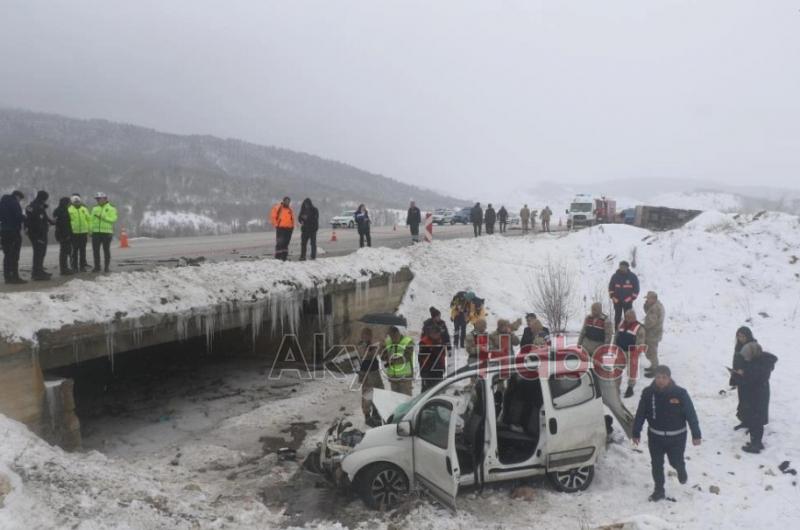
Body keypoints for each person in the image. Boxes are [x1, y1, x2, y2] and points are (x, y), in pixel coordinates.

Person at [632, 365, 701, 502]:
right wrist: (636, 432)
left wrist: (696, 434)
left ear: (669, 378)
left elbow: (691, 414)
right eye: (658, 377)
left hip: (677, 437)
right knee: (656, 464)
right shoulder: (648, 393)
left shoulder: (680, 393)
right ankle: (659, 490)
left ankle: (680, 468)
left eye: (664, 377)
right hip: (655, 436)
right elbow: (641, 414)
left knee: (675, 461)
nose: (661, 380)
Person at [730, 327, 777, 453]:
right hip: (747, 388)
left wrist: (743, 372)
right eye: (739, 336)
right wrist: (736, 375)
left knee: (756, 417)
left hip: (757, 392)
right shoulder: (743, 350)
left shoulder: (757, 356)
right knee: (746, 408)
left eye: (743, 336)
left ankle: (756, 444)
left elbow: (755, 376)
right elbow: (740, 365)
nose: (740, 338)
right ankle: (746, 423)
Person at [24, 190, 54, 281]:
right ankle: (37, 273)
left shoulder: (34, 205)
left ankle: (39, 270)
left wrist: (51, 221)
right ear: (44, 198)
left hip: (35, 233)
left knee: (40, 253)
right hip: (38, 234)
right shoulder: (38, 207)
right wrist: (40, 235)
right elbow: (38, 221)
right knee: (39, 253)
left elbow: (43, 217)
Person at [616, 308, 646, 398]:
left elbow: (640, 342)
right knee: (617, 369)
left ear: (634, 317)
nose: (627, 318)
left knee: (632, 371)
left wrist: (635, 353)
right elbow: (616, 335)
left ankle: (630, 388)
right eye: (626, 316)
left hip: (632, 352)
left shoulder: (639, 327)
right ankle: (616, 387)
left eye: (629, 317)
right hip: (620, 351)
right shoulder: (621, 324)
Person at [356, 327, 384, 424]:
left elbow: (380, 354)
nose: (366, 337)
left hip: (375, 372)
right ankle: (367, 415)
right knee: (367, 394)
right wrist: (375, 349)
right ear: (362, 336)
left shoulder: (372, 344)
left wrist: (381, 347)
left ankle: (376, 412)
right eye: (365, 335)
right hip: (366, 374)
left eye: (368, 335)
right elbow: (365, 354)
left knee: (378, 392)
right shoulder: (361, 345)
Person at [0, 190, 27, 284]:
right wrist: (25, 217)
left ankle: (8, 277)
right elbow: (18, 216)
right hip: (13, 231)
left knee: (7, 255)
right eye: (20, 199)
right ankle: (15, 277)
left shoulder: (2, 203)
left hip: (4, 231)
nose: (19, 201)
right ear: (17, 196)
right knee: (14, 255)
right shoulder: (14, 203)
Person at [90, 192, 118, 273]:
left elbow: (113, 219)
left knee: (106, 250)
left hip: (106, 232)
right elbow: (91, 220)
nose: (97, 200)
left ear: (105, 199)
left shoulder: (112, 208)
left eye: (99, 199)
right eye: (97, 199)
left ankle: (106, 267)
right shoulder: (95, 208)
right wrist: (90, 230)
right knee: (96, 251)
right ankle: (97, 267)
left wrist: (103, 217)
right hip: (96, 233)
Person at [382, 326, 414, 395]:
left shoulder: (407, 341)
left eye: (393, 336)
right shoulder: (388, 342)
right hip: (393, 378)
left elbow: (407, 357)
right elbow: (383, 357)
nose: (391, 338)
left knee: (406, 399)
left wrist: (393, 361)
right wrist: (382, 348)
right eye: (390, 336)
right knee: (395, 399)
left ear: (397, 333)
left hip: (405, 378)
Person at [608, 260, 640, 328]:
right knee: (617, 318)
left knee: (628, 318)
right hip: (617, 301)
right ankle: (617, 333)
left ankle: (628, 332)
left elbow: (636, 290)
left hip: (628, 302)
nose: (622, 268)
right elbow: (611, 288)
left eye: (623, 267)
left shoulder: (633, 277)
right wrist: (613, 297)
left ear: (627, 267)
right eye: (620, 267)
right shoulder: (614, 276)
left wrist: (629, 299)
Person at [643, 292, 665, 376]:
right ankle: (653, 366)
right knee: (651, 351)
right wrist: (646, 306)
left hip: (653, 333)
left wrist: (643, 327)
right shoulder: (657, 305)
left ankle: (655, 369)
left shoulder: (655, 308)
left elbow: (651, 321)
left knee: (652, 351)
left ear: (653, 299)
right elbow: (648, 313)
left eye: (648, 299)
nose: (647, 300)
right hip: (655, 332)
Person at [419, 325, 447, 392]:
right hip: (428, 371)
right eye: (436, 334)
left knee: (438, 390)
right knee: (427, 391)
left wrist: (442, 367)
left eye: (439, 334)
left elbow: (442, 355)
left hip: (438, 370)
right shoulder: (424, 342)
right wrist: (424, 373)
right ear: (431, 333)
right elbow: (422, 359)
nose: (438, 335)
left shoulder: (440, 340)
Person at [68, 195, 91, 272]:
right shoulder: (69, 210)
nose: (77, 203)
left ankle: (82, 266)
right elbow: (68, 222)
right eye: (75, 202)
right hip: (74, 233)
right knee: (74, 251)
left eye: (78, 201)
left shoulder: (84, 209)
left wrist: (89, 230)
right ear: (72, 202)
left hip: (83, 233)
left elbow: (89, 220)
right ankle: (74, 266)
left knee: (82, 250)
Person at [52, 197, 74, 276]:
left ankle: (64, 268)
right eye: (68, 203)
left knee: (65, 251)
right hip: (64, 234)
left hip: (60, 234)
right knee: (64, 252)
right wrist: (67, 235)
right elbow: (64, 225)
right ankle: (64, 269)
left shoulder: (58, 210)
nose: (69, 204)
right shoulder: (63, 211)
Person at [270, 196, 294, 261]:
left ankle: (284, 256)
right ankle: (278, 256)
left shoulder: (290, 209)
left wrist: (293, 226)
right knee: (280, 242)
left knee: (286, 243)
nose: (287, 202)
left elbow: (293, 218)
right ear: (283, 201)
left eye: (288, 201)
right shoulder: (278, 208)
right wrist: (276, 225)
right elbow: (273, 216)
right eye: (286, 201)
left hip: (289, 228)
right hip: (280, 228)